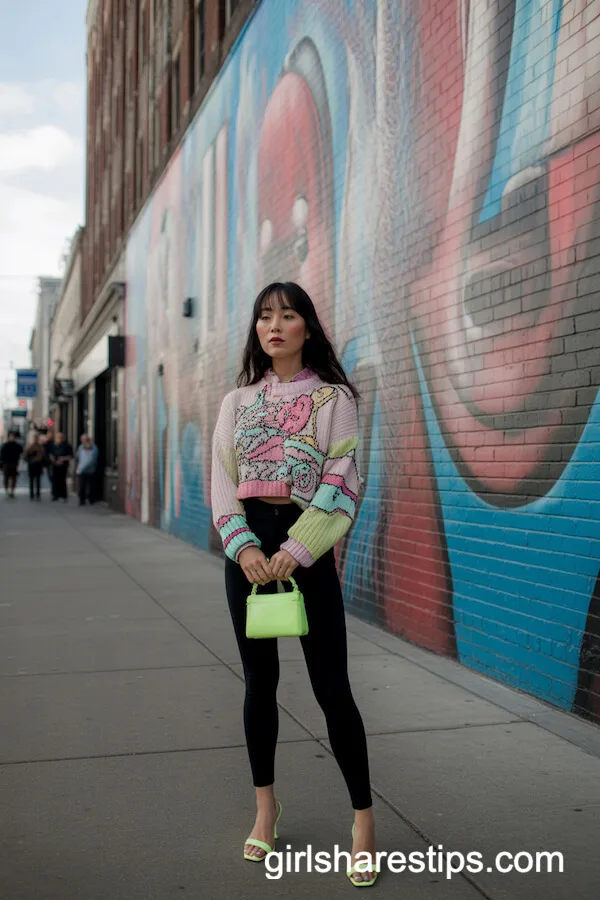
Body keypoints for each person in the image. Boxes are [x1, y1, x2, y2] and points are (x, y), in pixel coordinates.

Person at [211, 282, 377, 886]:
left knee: (333, 687)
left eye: (287, 314)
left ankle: (362, 821)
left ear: (307, 325)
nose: (273, 325)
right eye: (263, 316)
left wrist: (299, 549)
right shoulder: (236, 401)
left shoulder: (335, 398)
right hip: (248, 554)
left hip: (305, 550)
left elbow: (344, 479)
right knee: (260, 684)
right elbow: (222, 481)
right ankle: (265, 809)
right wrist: (244, 547)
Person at [48, 432, 73, 502]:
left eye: (60, 437)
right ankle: (55, 495)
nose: (59, 439)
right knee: (55, 480)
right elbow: (49, 454)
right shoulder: (52, 445)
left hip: (63, 466)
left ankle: (63, 495)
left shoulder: (67, 446)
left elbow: (71, 456)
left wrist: (64, 458)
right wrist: (51, 458)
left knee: (62, 481)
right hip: (55, 465)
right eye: (58, 437)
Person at [75, 434, 98, 506]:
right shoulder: (81, 447)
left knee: (89, 486)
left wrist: (80, 468)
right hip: (83, 470)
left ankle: (90, 499)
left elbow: (93, 459)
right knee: (82, 486)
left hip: (89, 470)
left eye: (84, 439)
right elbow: (78, 457)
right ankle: (83, 500)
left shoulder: (93, 448)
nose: (83, 441)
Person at [23, 433, 45, 500]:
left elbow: (43, 456)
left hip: (38, 465)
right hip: (32, 465)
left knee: (38, 481)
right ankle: (31, 494)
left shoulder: (40, 447)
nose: (35, 440)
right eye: (34, 439)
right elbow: (25, 456)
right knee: (31, 481)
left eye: (36, 439)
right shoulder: (30, 447)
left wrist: (41, 463)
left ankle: (38, 494)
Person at [1, 432, 22, 498]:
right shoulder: (5, 445)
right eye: (11, 436)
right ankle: (7, 490)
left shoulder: (16, 445)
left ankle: (12, 491)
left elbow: (21, 453)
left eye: (13, 436)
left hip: (14, 464)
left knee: (13, 478)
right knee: (6, 478)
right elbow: (2, 455)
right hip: (6, 464)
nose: (12, 437)